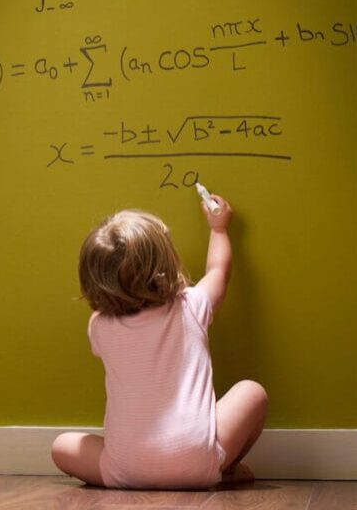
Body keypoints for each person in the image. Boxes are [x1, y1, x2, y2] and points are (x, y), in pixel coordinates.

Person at [51, 196, 268, 489]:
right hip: (197, 461)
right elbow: (219, 271)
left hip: (124, 468)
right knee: (252, 392)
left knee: (61, 446)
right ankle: (225, 468)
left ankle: (156, 471)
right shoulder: (191, 306)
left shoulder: (99, 327)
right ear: (165, 264)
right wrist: (218, 229)